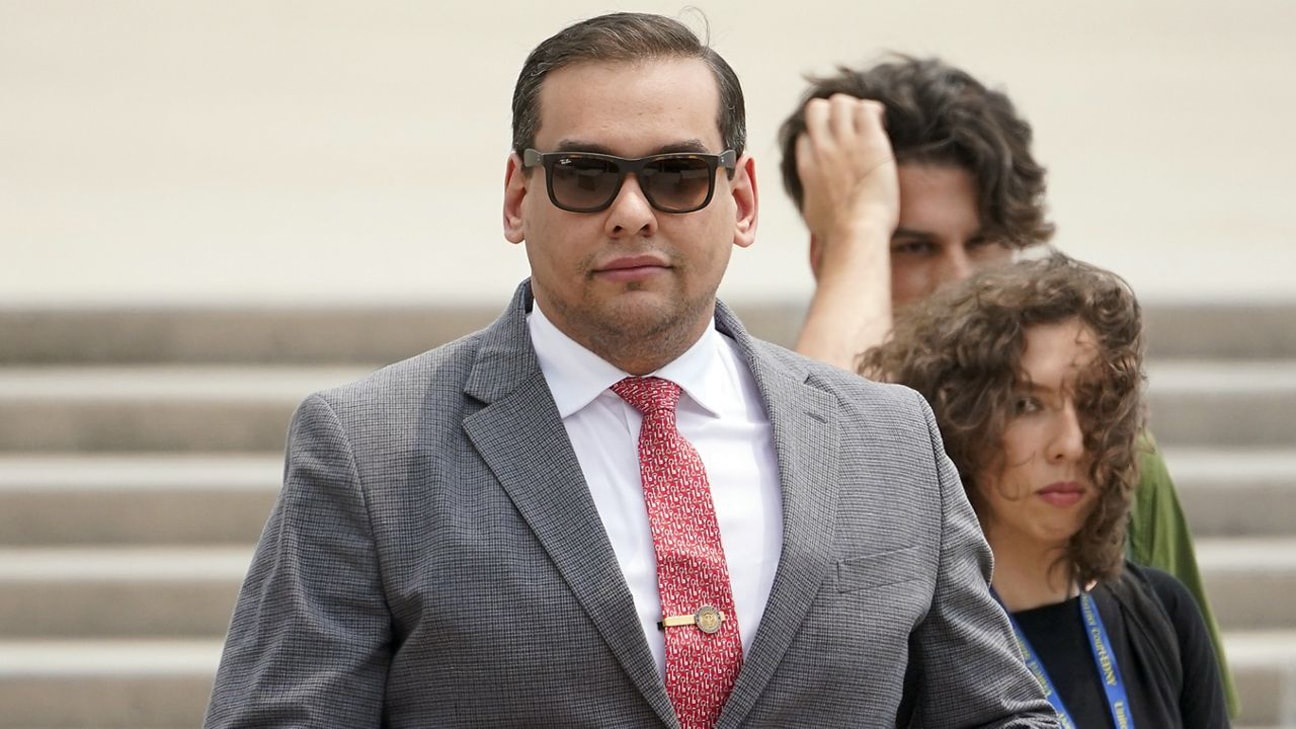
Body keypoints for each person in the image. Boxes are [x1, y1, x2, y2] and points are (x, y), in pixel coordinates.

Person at [202, 13, 1059, 729]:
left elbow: (997, 713)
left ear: (743, 201)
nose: (632, 212)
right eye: (585, 175)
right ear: (517, 197)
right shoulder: (369, 451)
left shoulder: (891, 439)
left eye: (678, 173)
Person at [777, 55, 1237, 715]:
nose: (960, 280)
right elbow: (821, 469)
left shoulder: (1108, 454)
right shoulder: (802, 420)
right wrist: (858, 225)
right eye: (913, 247)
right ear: (837, 259)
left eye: (985, 242)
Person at [860, 253, 1230, 727]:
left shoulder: (1164, 612)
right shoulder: (908, 651)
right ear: (959, 420)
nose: (1070, 444)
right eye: (1027, 404)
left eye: (1095, 401)